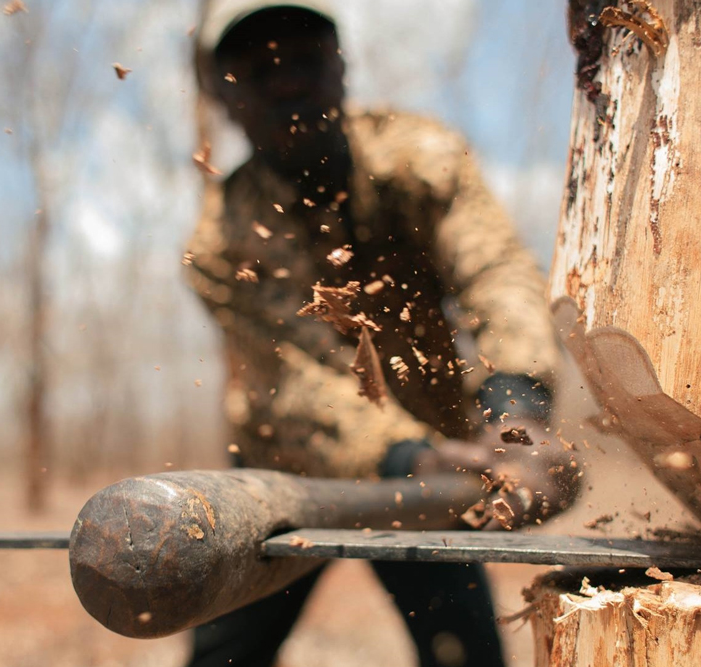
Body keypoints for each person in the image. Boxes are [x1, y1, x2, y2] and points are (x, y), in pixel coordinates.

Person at [184, 2, 577, 666]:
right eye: (258, 70)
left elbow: (495, 272)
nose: (286, 82)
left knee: (465, 653)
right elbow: (301, 385)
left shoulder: (421, 158)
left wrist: (517, 413)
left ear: (341, 67)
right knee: (224, 658)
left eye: (304, 59)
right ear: (225, 96)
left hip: (439, 466)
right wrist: (414, 458)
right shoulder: (220, 244)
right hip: (285, 476)